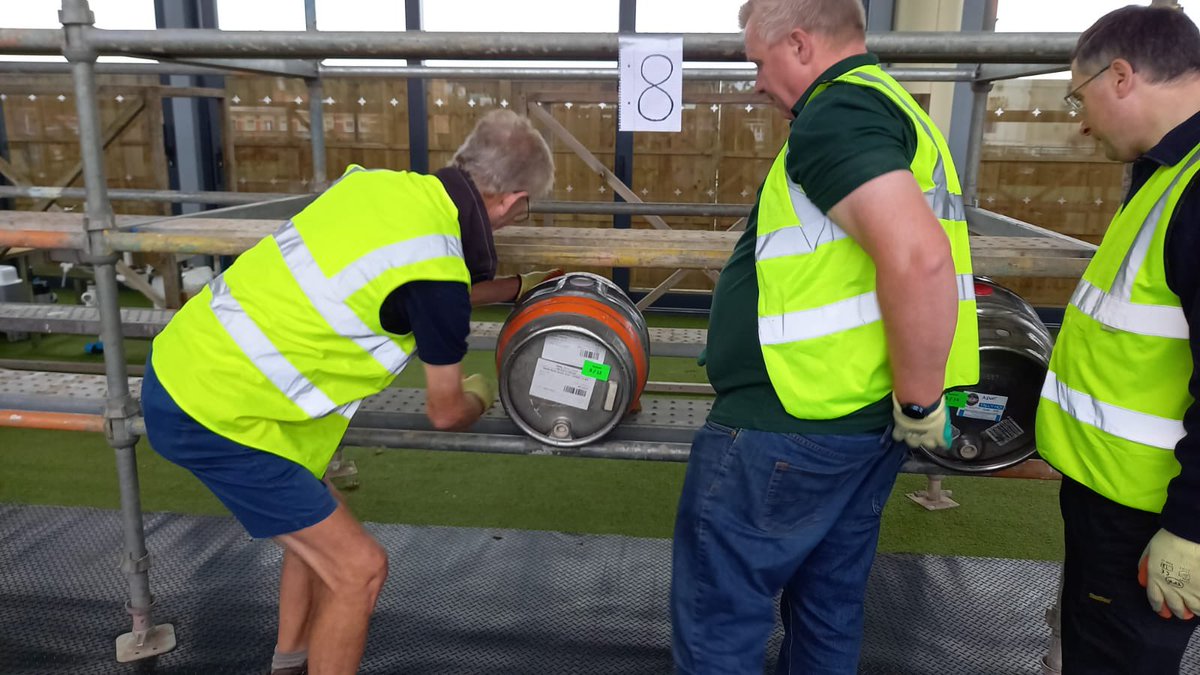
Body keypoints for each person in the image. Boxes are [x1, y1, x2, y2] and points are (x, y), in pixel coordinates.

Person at [140, 109, 557, 675]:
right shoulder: (437, 271)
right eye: (525, 211)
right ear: (511, 201)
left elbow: (396, 284)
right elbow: (445, 410)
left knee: (320, 530)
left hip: (188, 367)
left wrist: (515, 288)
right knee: (359, 570)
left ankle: (290, 661)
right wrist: (482, 392)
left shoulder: (375, 186)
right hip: (217, 416)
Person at [669, 0, 980, 672]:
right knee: (827, 610)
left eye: (759, 61)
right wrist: (914, 403)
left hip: (792, 420)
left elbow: (919, 258)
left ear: (801, 44)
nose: (757, 81)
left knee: (719, 618)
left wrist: (921, 398)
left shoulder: (838, 111)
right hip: (862, 420)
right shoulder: (892, 104)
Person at [1034, 6, 1200, 674]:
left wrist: (1190, 527)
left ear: (1122, 76)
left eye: (1080, 96)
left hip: (1151, 513)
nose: (1081, 120)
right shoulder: (1167, 174)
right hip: (1116, 499)